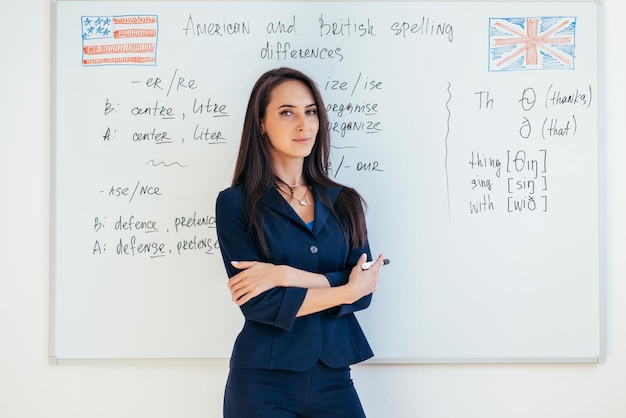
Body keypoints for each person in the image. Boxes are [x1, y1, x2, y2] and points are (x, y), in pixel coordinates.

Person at [215, 67, 384, 418]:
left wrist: (281, 274)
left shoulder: (345, 202)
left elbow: (365, 289)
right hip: (262, 381)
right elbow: (258, 303)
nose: (303, 125)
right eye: (287, 112)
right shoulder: (235, 204)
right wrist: (344, 291)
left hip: (334, 378)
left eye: (310, 112)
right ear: (261, 123)